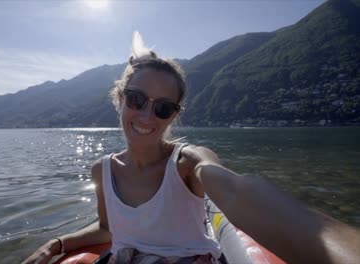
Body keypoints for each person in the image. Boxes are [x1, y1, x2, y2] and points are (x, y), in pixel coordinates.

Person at [23, 32, 360, 264]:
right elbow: (108, 229)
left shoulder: (186, 163)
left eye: (163, 107)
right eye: (136, 99)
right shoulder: (103, 169)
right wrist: (58, 242)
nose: (145, 115)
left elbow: (236, 191)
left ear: (175, 116)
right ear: (120, 98)